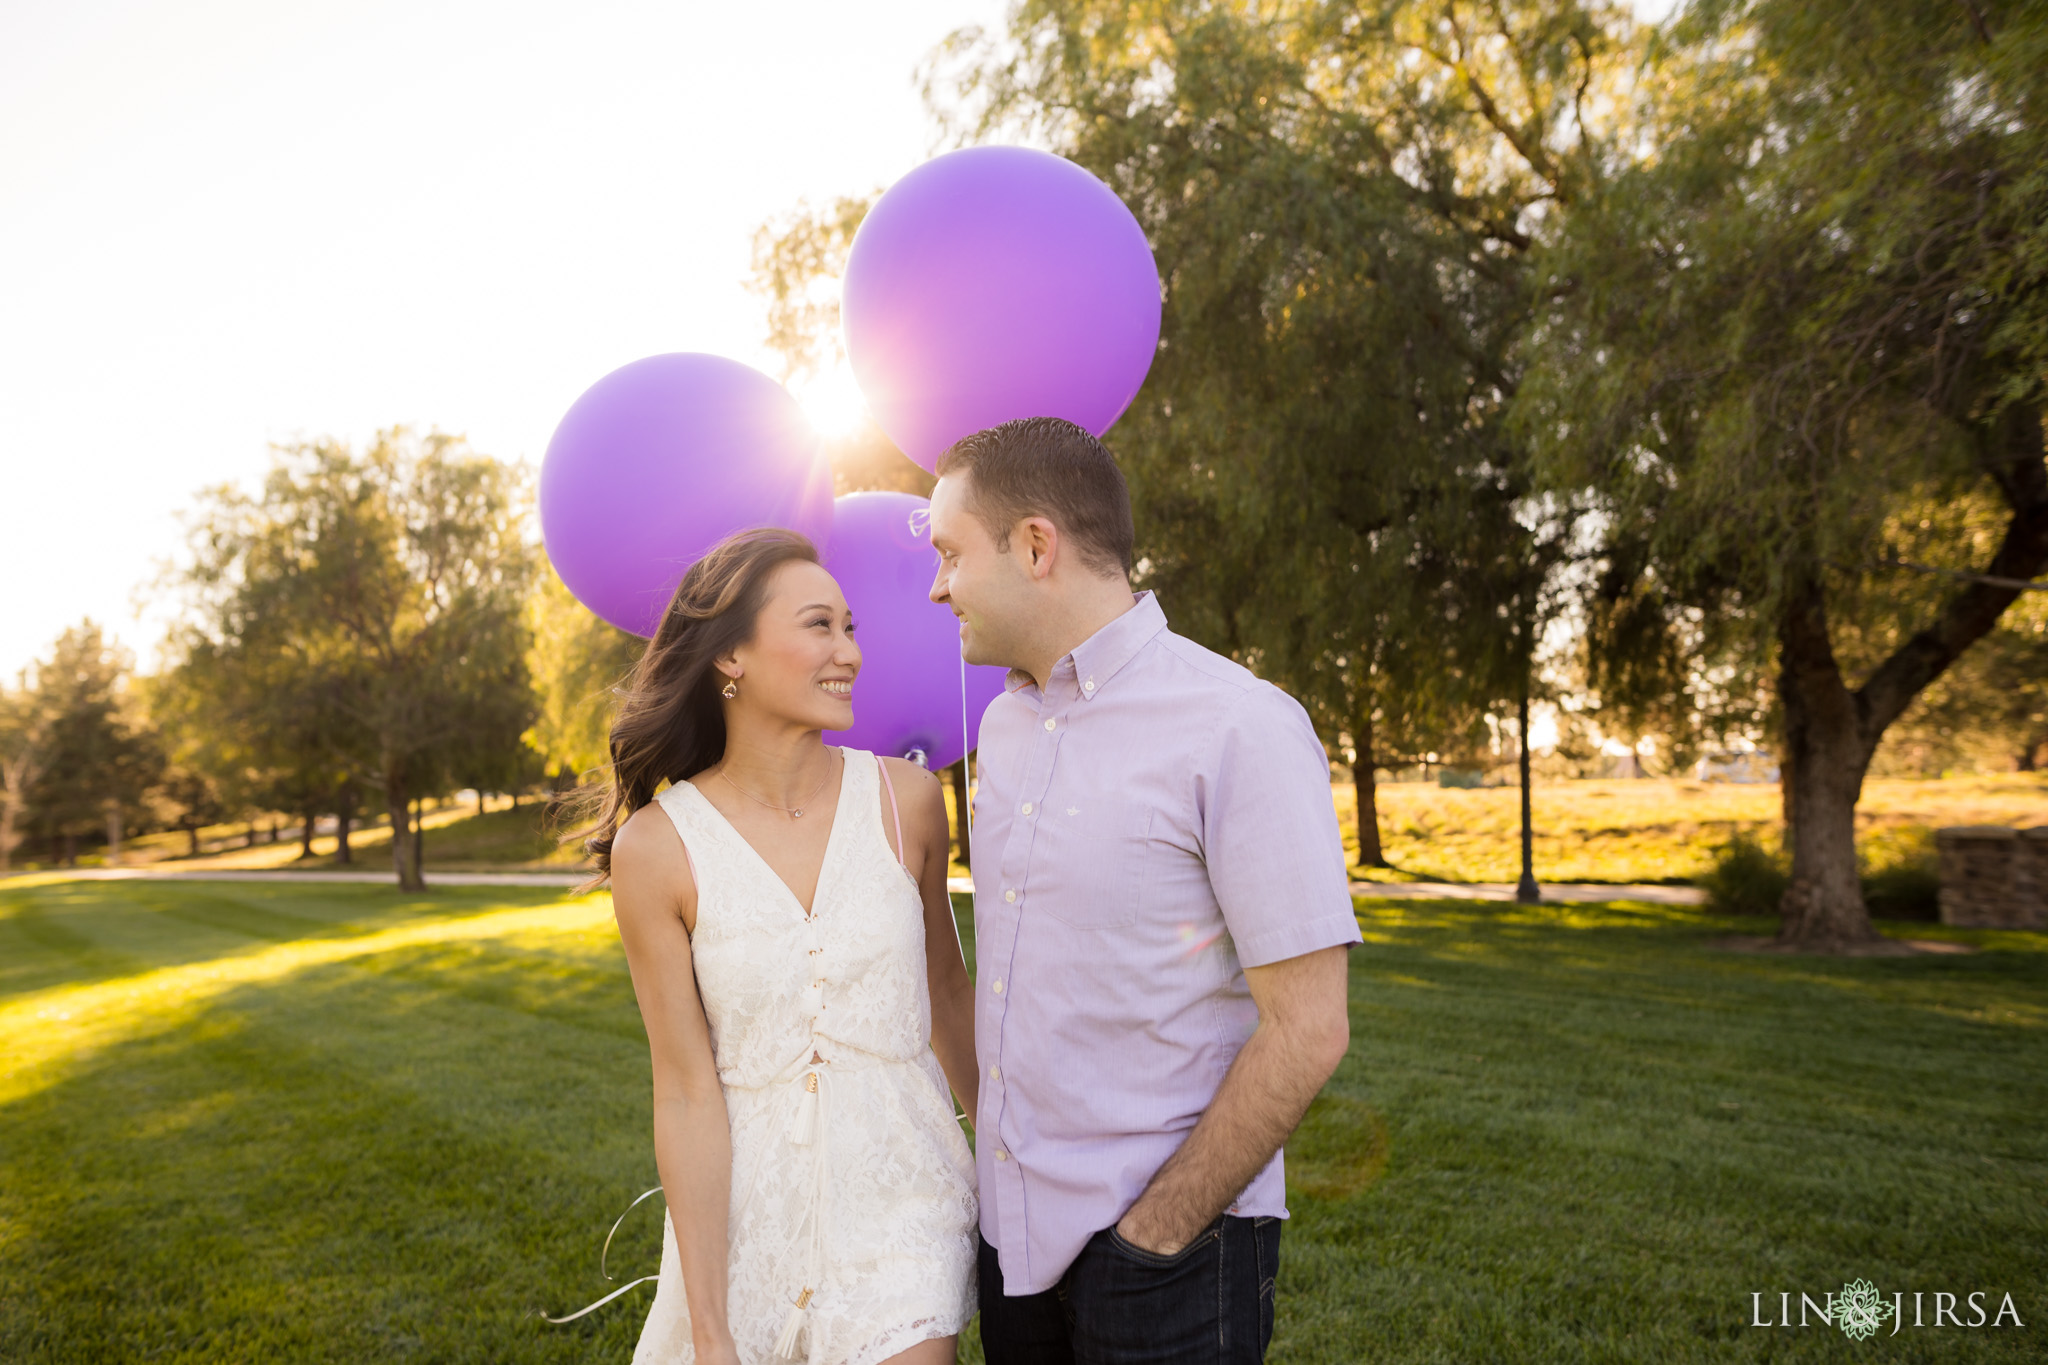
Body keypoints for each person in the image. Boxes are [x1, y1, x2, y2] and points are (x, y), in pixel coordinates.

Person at [927, 417, 1361, 1364]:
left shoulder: (1238, 725)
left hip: (1169, 1254)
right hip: (1012, 1251)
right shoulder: (999, 730)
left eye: (950, 553)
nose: (936, 584)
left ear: (1035, 545)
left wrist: (1159, 1230)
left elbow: (1310, 1026)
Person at [584, 527, 979, 1365]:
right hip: (745, 1221)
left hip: (902, 1194)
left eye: (850, 626)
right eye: (818, 626)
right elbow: (686, 1090)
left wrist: (1014, 1175)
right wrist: (711, 1328)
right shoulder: (658, 850)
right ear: (731, 656)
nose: (849, 653)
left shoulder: (905, 801)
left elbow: (949, 994)